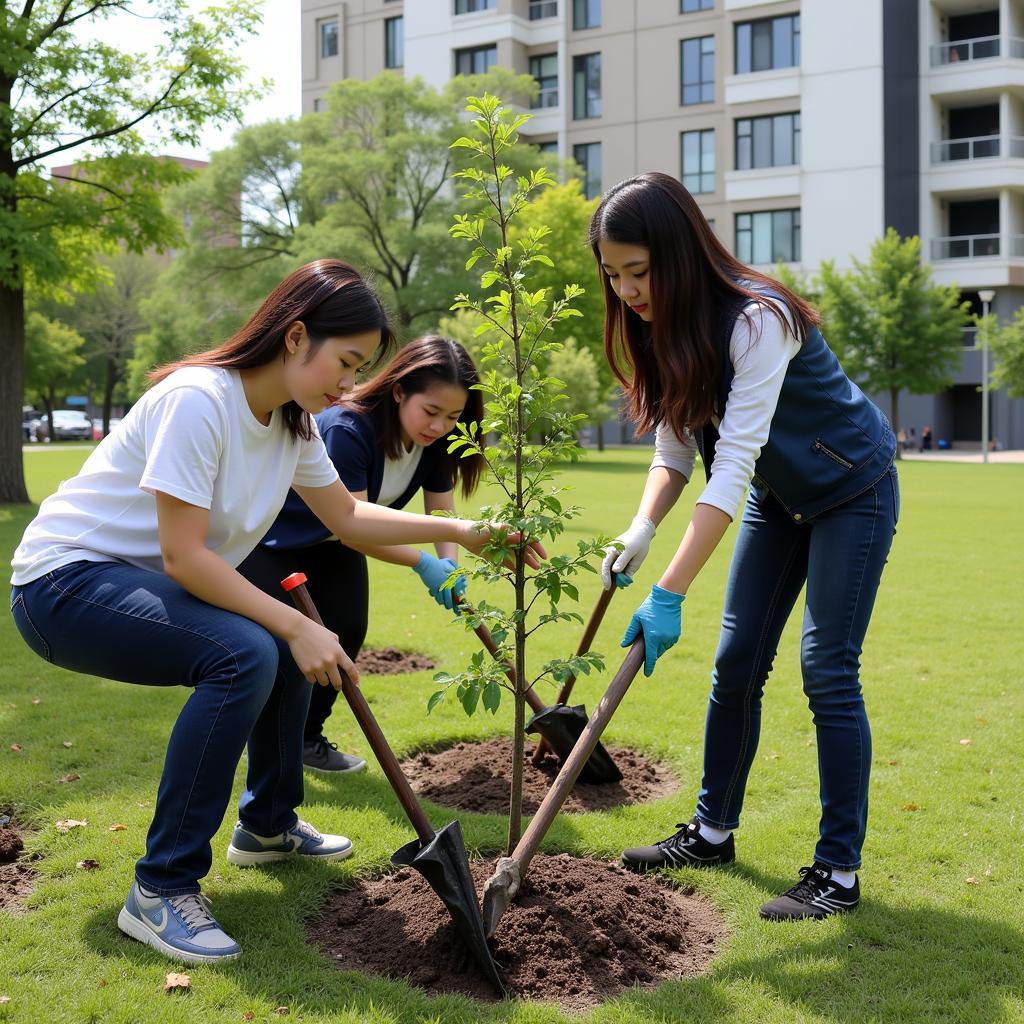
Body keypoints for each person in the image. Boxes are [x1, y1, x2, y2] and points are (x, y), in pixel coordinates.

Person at [8, 260, 541, 965]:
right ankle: (161, 888)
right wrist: (295, 623)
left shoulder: (295, 425)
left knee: (280, 640)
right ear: (295, 337)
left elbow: (347, 517)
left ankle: (267, 825)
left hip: (132, 583)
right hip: (63, 584)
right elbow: (184, 557)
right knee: (251, 649)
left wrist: (468, 534)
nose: (348, 387)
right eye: (345, 362)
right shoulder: (200, 400)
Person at [591, 173, 898, 920]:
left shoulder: (760, 320)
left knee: (826, 668)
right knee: (736, 663)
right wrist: (643, 525)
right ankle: (711, 830)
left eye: (639, 271)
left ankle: (837, 874)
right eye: (613, 275)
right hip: (779, 498)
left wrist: (668, 593)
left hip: (851, 489)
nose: (628, 290)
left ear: (681, 252)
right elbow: (676, 445)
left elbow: (732, 462)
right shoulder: (661, 326)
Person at [238, 335, 485, 772]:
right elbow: (350, 523)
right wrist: (422, 561)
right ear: (399, 391)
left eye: (452, 416)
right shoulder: (347, 429)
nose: (440, 425)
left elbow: (442, 509)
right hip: (275, 544)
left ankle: (307, 740)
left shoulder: (434, 443)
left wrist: (449, 565)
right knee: (289, 649)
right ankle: (272, 749)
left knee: (348, 630)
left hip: (335, 543)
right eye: (431, 411)